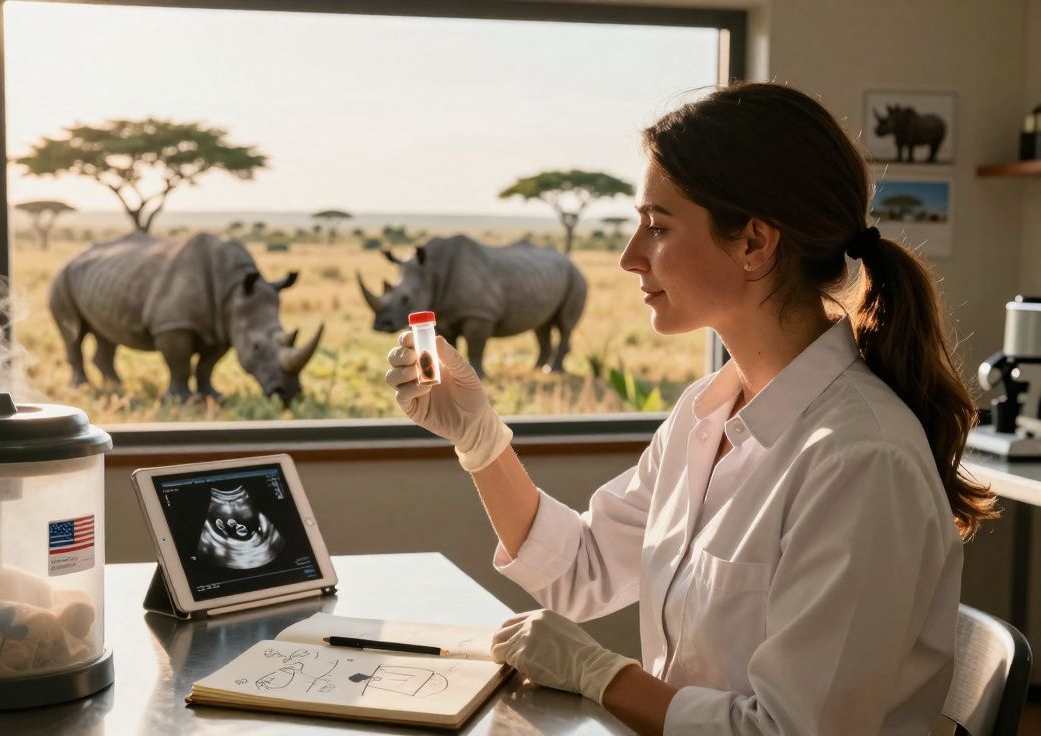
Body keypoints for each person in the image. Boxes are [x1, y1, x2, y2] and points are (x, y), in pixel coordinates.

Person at [384, 82, 997, 735]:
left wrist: (602, 675)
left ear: (754, 244)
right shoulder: (707, 413)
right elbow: (583, 570)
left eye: (657, 227)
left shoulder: (860, 459)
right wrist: (479, 437)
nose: (629, 258)